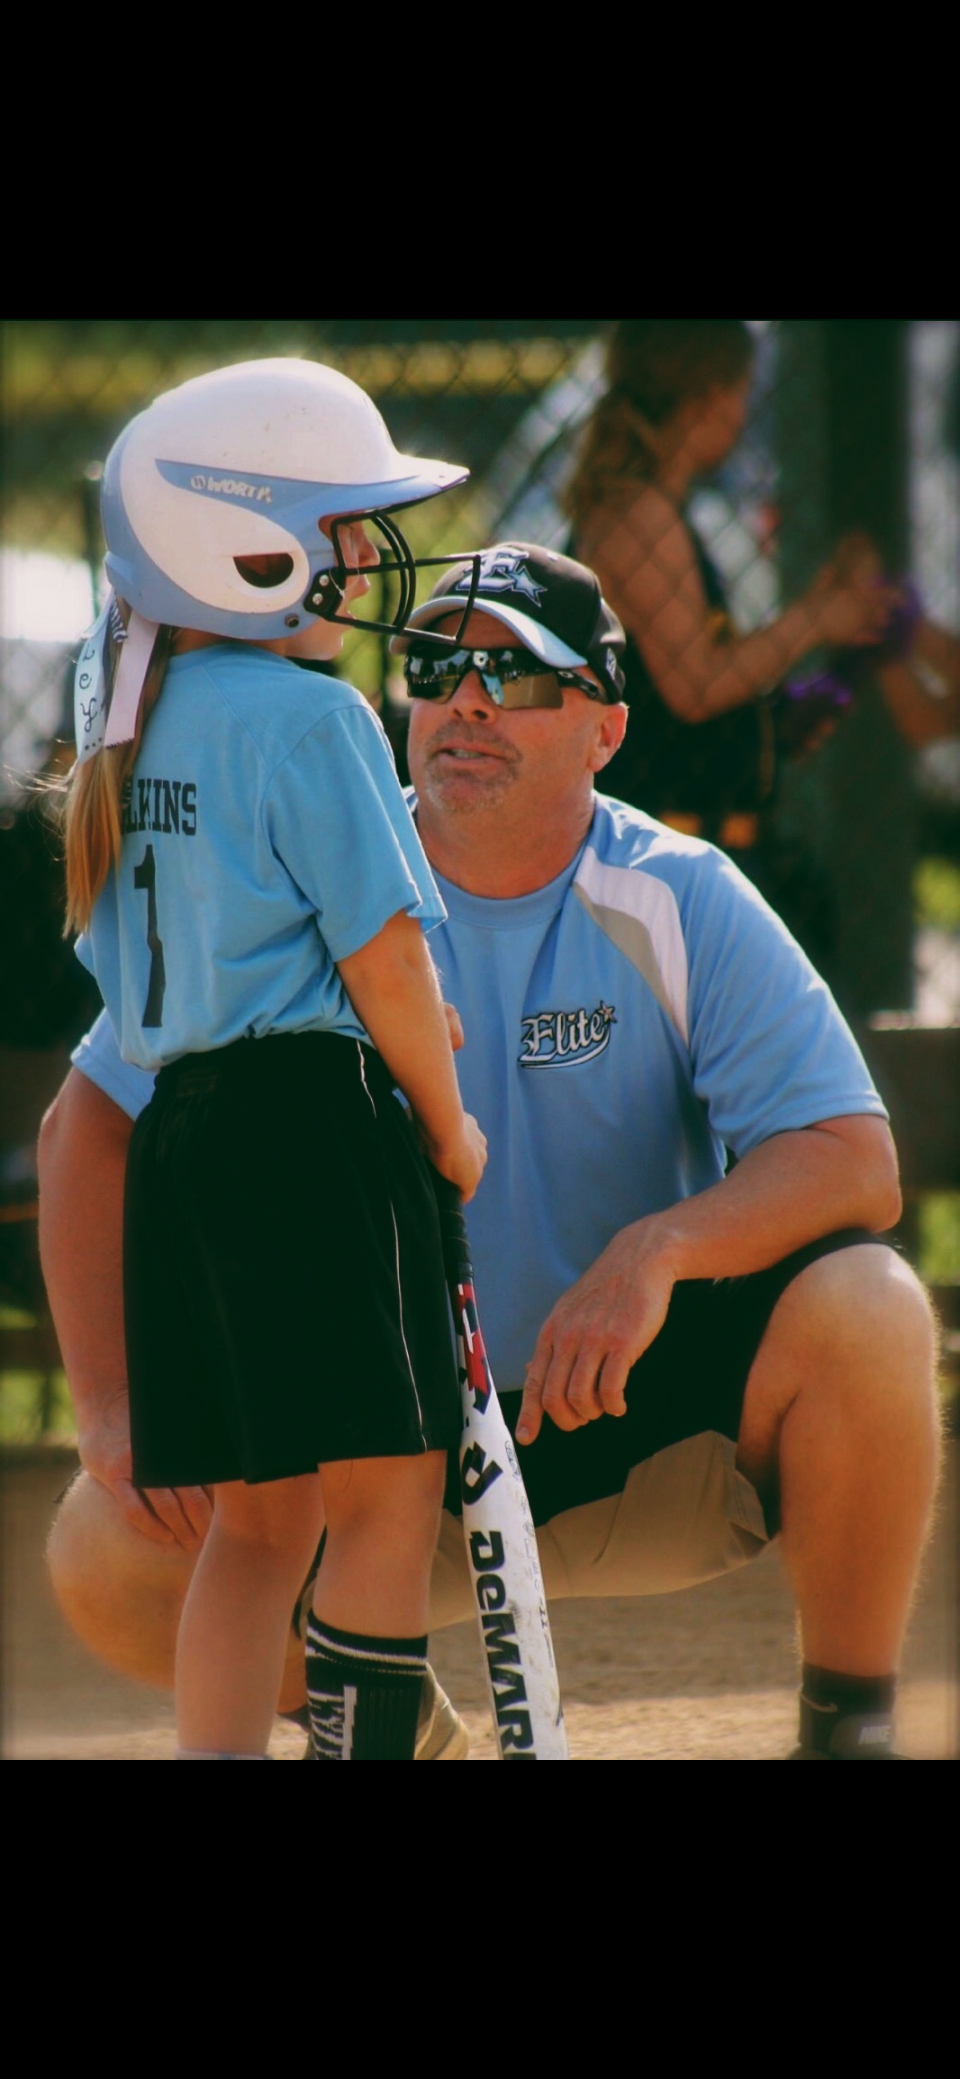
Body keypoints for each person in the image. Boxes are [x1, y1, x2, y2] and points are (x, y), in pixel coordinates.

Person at [42, 541, 940, 1762]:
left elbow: (852, 1156)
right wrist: (107, 1407)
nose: (466, 701)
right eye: (436, 665)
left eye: (517, 678)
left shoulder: (680, 894)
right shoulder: (296, 883)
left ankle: (851, 1727)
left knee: (873, 1307)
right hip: (377, 1456)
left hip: (632, 1423)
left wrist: (659, 1250)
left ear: (604, 730)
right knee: (102, 1548)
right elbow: (84, 1129)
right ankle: (401, 1730)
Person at [56, 356, 486, 1761]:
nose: (362, 560)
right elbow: (387, 963)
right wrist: (451, 1119)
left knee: (256, 1524)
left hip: (181, 1147)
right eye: (337, 528)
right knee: (382, 1500)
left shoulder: (118, 713)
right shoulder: (318, 721)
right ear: (233, 542)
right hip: (314, 1127)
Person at [564, 320, 897, 973]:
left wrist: (770, 722)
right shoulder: (639, 513)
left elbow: (692, 679)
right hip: (663, 859)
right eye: (742, 391)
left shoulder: (659, 505)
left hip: (693, 848)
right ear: (708, 396)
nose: (745, 412)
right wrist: (815, 618)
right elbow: (694, 688)